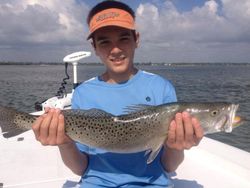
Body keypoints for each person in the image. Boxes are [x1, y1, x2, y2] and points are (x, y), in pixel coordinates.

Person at [32, 1, 204, 187]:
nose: (115, 49)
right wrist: (64, 143)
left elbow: (169, 166)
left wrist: (176, 145)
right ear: (95, 47)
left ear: (136, 39)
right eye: (105, 41)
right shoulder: (83, 93)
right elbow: (80, 169)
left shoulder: (162, 88)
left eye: (123, 38)